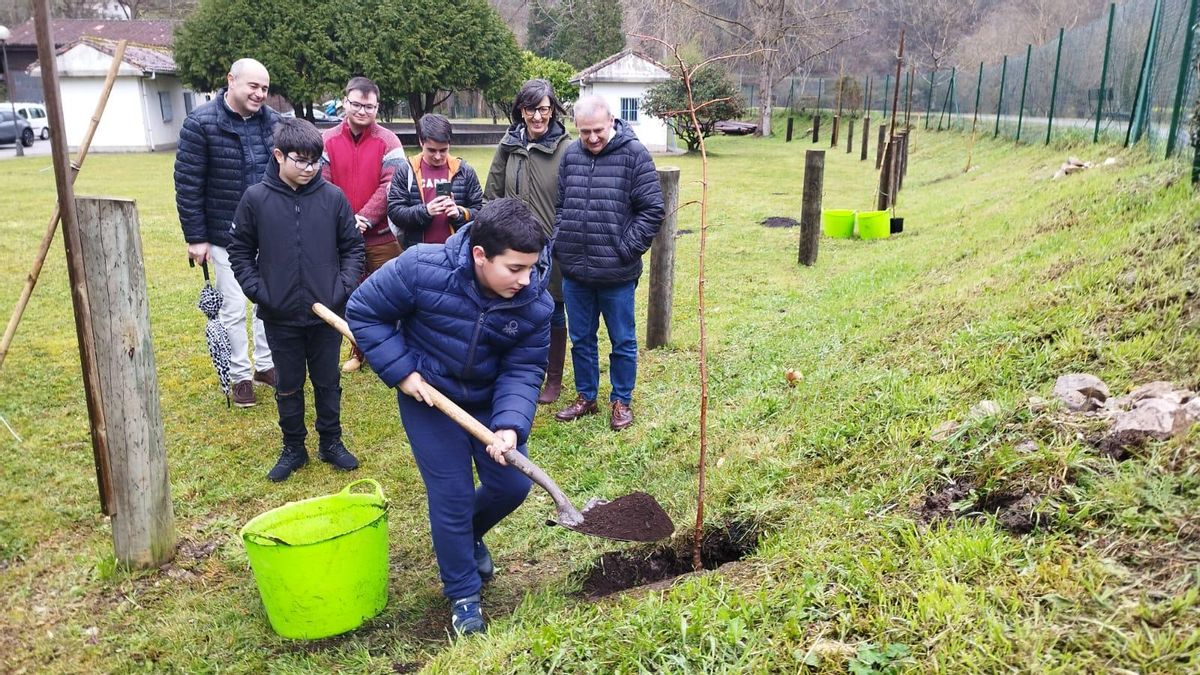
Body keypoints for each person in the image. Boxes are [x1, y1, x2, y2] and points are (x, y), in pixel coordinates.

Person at [345, 198, 552, 636]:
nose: (526, 279)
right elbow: (364, 311)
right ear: (480, 255)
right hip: (428, 399)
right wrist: (401, 373)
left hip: (489, 401)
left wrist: (510, 425)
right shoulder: (421, 267)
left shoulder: (534, 303)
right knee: (452, 496)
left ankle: (464, 537)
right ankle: (462, 593)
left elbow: (524, 368)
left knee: (512, 484)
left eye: (531, 267)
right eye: (515, 268)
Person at [227, 118, 366, 482]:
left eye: (315, 160)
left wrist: (341, 288)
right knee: (288, 383)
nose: (309, 168)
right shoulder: (256, 199)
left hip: (326, 314)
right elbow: (239, 250)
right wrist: (260, 291)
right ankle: (293, 447)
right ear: (278, 155)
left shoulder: (333, 198)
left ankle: (331, 442)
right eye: (300, 160)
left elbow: (353, 248)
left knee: (326, 380)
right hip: (279, 315)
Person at [552, 95, 664, 431]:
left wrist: (625, 249)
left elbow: (652, 210)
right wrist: (562, 241)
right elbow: (560, 206)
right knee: (582, 339)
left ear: (612, 121)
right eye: (584, 132)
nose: (592, 138)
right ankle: (587, 396)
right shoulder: (571, 155)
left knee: (623, 340)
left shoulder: (634, 155)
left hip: (616, 273)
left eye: (598, 130)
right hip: (576, 271)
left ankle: (621, 401)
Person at [175, 58, 277, 408]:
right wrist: (196, 237)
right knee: (232, 308)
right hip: (224, 235)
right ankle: (240, 376)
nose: (260, 94)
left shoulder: (274, 123)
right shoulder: (200, 124)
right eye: (253, 86)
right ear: (231, 80)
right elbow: (188, 185)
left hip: (268, 232)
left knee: (268, 302)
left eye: (264, 88)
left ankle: (265, 365)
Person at [485, 79, 572, 405]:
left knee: (553, 311)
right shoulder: (508, 147)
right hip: (512, 246)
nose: (538, 117)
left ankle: (553, 379)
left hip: (553, 247)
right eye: (532, 109)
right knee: (513, 308)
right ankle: (521, 373)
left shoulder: (566, 148)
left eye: (545, 109)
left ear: (553, 110)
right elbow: (492, 194)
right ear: (521, 110)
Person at [321, 76, 405, 373]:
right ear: (345, 102)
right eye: (356, 104)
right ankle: (358, 350)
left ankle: (394, 350)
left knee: (388, 294)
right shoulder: (326, 140)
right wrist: (346, 222)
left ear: (377, 107)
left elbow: (391, 184)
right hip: (342, 238)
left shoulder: (389, 141)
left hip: (382, 237)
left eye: (368, 106)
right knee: (352, 297)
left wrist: (366, 218)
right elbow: (323, 184)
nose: (362, 111)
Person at [387, 114, 483, 248]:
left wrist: (459, 213)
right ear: (421, 141)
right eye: (431, 150)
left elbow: (480, 212)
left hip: (455, 252)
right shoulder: (406, 170)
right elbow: (395, 212)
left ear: (450, 143)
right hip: (417, 253)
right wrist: (425, 211)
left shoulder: (464, 171)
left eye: (443, 150)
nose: (438, 157)